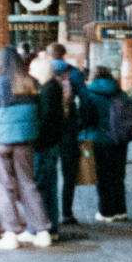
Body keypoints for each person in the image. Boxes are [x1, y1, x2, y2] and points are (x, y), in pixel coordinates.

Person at [0, 45, 51, 251]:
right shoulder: (31, 83)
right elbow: (42, 112)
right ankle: (42, 231)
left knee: (2, 186)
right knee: (28, 183)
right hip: (26, 141)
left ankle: (10, 233)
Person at [47, 42, 91, 227]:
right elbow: (85, 100)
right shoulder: (73, 73)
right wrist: (82, 123)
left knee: (47, 173)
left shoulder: (43, 72)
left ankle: (48, 213)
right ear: (64, 55)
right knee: (69, 173)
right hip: (69, 128)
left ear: (49, 55)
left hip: (48, 129)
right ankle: (67, 212)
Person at [83, 65, 130, 223]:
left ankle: (106, 212)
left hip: (99, 138)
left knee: (103, 176)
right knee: (118, 175)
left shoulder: (89, 93)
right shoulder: (120, 92)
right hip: (119, 139)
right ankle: (120, 210)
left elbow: (86, 118)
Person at [29, 52, 64, 240]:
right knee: (50, 188)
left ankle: (41, 227)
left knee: (42, 187)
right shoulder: (53, 87)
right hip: (52, 143)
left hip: (44, 145)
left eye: (32, 68)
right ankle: (52, 226)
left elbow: (45, 118)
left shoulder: (47, 90)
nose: (29, 71)